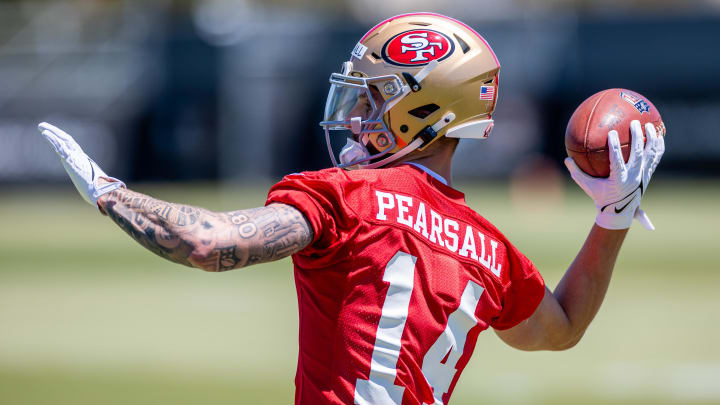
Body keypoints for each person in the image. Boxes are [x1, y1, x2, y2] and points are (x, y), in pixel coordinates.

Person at [39, 12, 664, 405]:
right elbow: (560, 329)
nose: (356, 118)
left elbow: (210, 243)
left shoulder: (347, 195)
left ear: (424, 113)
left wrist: (110, 193)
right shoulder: (488, 249)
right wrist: (612, 219)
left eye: (372, 101)